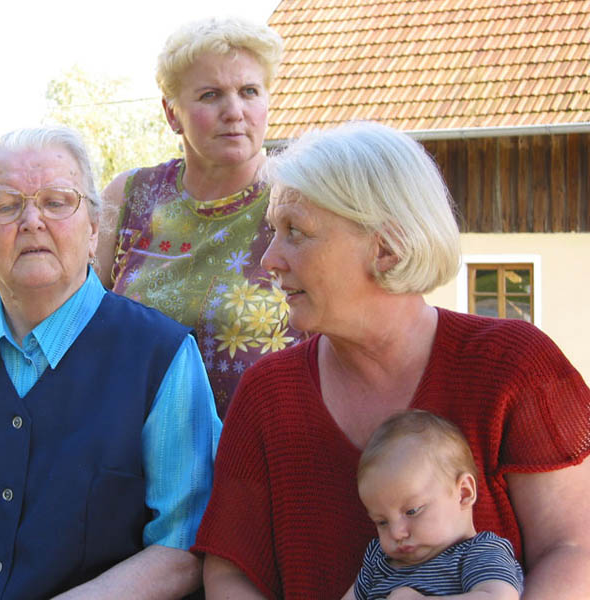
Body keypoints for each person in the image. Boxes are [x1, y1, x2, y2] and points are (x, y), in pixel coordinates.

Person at [193, 121, 590, 599]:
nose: (270, 259)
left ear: (387, 247)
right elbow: (231, 572)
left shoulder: (515, 365)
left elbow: (573, 549)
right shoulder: (267, 394)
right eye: (273, 232)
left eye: (295, 231)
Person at [0, 126, 222, 599]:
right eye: (6, 205)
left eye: (56, 201)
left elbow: (185, 541)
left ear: (94, 230)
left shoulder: (161, 357)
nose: (31, 220)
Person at [97, 17, 304, 416]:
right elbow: (76, 321)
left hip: (266, 440)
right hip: (135, 443)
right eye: (211, 95)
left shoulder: (300, 197)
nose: (235, 111)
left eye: (249, 91)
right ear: (171, 113)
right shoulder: (129, 196)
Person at [342, 410, 523, 600]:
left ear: (463, 493)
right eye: (382, 522)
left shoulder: (479, 552)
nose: (396, 533)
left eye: (411, 511)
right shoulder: (378, 560)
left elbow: (501, 597)